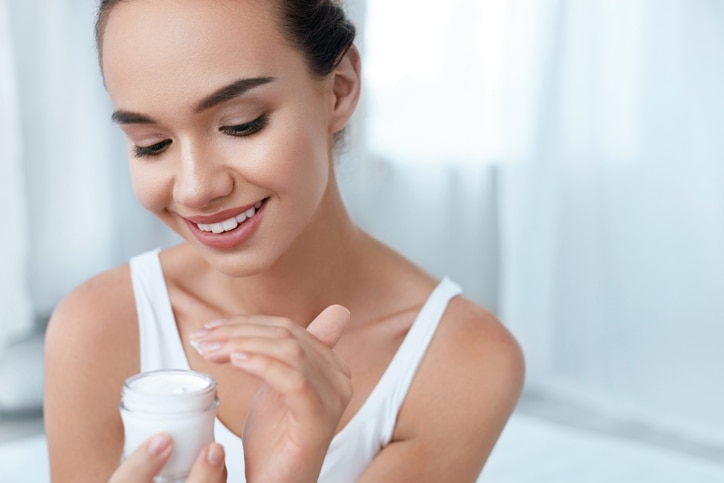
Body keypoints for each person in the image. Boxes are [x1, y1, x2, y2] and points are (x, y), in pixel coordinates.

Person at [43, 0, 525, 481]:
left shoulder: (462, 361)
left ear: (339, 90)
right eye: (151, 145)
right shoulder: (97, 330)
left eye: (241, 124)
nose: (195, 188)